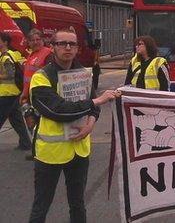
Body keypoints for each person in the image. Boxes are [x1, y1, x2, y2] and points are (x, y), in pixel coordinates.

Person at [28, 29, 120, 223]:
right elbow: (57, 111)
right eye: (62, 43)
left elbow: (93, 107)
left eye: (72, 44)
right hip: (50, 154)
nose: (68, 47)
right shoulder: (41, 77)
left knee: (78, 204)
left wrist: (90, 124)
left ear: (78, 48)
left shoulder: (83, 75)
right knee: (41, 205)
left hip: (79, 152)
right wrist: (96, 102)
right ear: (52, 47)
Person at [0, 32, 31, 150]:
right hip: (13, 92)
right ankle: (25, 143)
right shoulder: (12, 54)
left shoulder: (6, 57)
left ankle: (26, 143)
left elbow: (9, 75)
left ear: (5, 42)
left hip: (7, 93)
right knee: (16, 119)